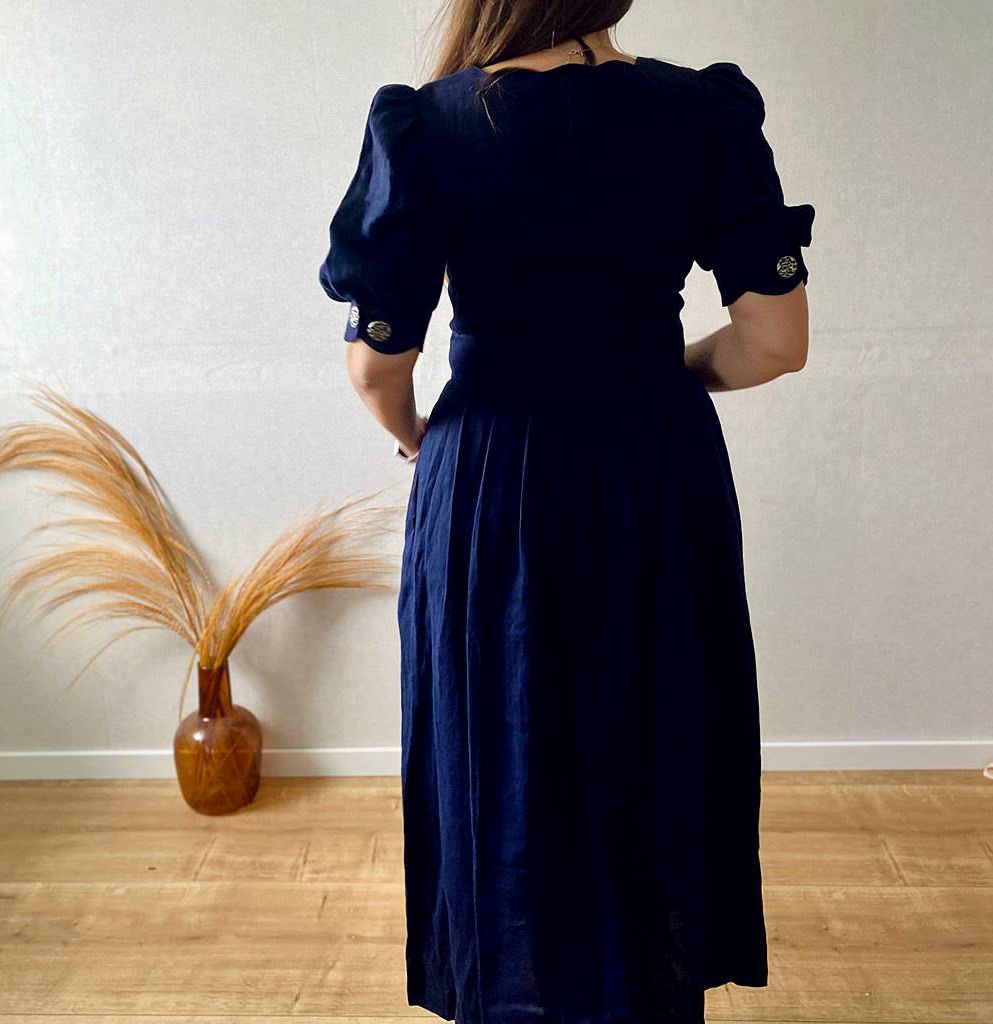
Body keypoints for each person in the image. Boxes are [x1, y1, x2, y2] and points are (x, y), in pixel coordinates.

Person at [318, 2, 815, 1021]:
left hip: (490, 474)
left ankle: (514, 990)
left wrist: (418, 436)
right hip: (655, 465)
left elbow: (376, 364)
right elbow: (775, 342)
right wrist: (651, 377)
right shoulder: (703, 112)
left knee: (501, 743)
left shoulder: (428, 125)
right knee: (656, 729)